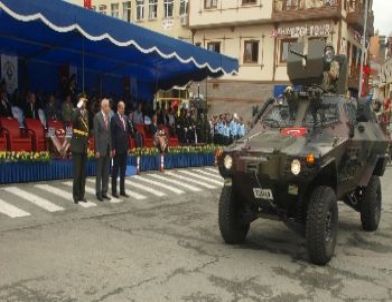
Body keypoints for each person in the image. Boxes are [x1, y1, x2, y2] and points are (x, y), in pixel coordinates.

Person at [71, 97, 89, 204]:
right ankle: (76, 196)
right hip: (77, 147)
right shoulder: (75, 111)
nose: (84, 103)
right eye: (83, 101)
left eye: (85, 102)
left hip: (84, 146)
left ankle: (82, 195)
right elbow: (72, 121)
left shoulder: (86, 113)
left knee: (83, 174)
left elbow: (87, 128)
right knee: (77, 174)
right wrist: (77, 107)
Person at [94, 98, 112, 202]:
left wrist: (111, 148)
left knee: (106, 172)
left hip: (107, 148)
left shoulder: (108, 117)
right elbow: (96, 135)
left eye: (109, 106)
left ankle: (104, 191)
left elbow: (109, 134)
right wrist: (96, 150)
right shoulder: (97, 117)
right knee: (99, 172)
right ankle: (98, 192)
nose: (109, 108)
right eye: (108, 106)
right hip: (100, 149)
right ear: (103, 107)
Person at [111, 101, 130, 199]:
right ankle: (114, 191)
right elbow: (112, 135)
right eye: (123, 108)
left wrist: (128, 147)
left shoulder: (126, 118)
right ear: (119, 108)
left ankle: (122, 190)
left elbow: (127, 133)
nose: (124, 109)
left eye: (124, 108)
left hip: (124, 148)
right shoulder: (114, 118)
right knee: (115, 170)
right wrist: (113, 148)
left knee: (123, 171)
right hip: (117, 149)